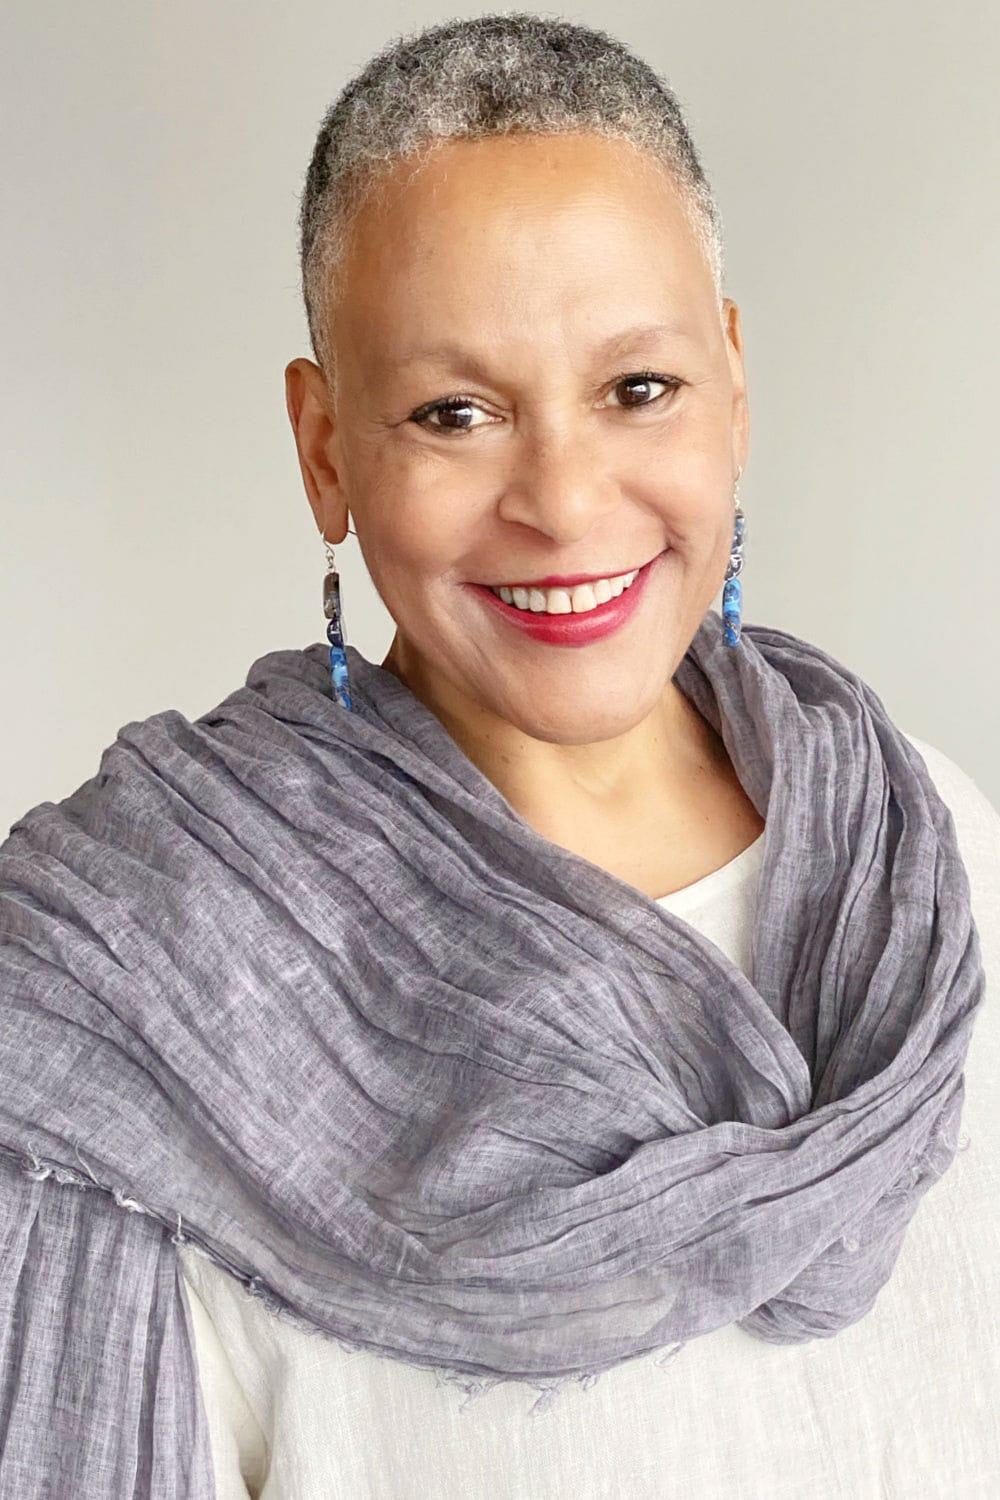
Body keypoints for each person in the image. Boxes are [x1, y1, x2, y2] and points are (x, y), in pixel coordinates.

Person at [1, 13, 997, 1500]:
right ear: (326, 449)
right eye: (453, 413)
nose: (564, 501)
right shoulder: (132, 990)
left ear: (733, 382)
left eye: (637, 388)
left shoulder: (935, 851)